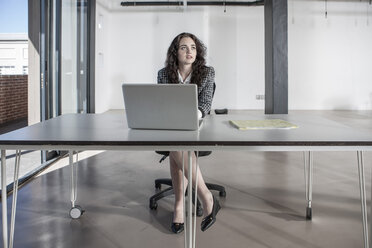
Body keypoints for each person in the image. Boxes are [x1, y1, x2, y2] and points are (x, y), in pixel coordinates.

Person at [157, 32, 221, 234]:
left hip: (197, 125)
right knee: (177, 142)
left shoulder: (207, 72)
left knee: (177, 145)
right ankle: (206, 197)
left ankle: (179, 205)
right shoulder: (163, 74)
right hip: (171, 126)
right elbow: (160, 103)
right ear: (175, 52)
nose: (189, 51)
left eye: (193, 47)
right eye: (184, 47)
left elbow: (205, 105)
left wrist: (189, 116)